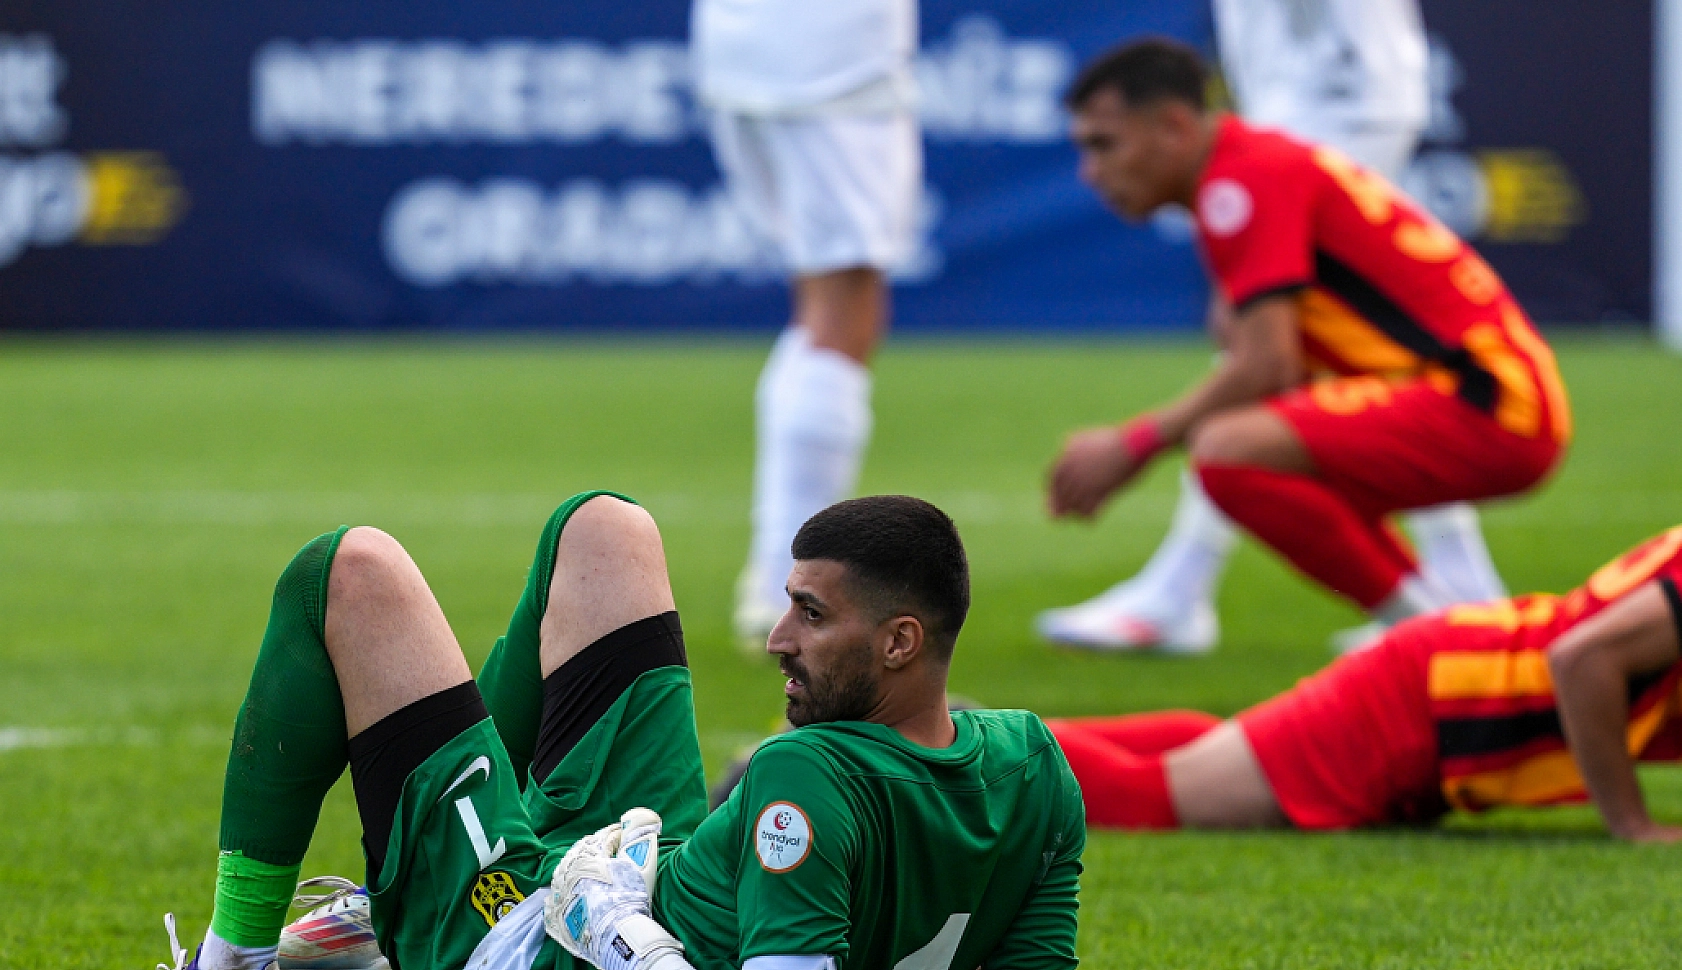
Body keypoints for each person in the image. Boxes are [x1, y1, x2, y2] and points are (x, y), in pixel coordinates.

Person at [82, 492, 1084, 970]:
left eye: (810, 614)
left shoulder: (801, 776)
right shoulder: (1031, 762)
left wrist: (621, 937)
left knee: (338, 571)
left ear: (900, 640)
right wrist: (926, 903)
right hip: (657, 868)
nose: (777, 638)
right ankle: (390, 911)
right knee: (602, 526)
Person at [1043, 39, 1570, 642]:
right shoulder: (1247, 169)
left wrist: (1133, 444)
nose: (1090, 171)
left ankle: (1435, 642)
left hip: (1490, 402)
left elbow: (1267, 367)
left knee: (1227, 450)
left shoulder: (1239, 185)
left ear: (1174, 126)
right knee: (1250, 451)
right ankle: (1445, 633)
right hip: (1491, 394)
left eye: (1103, 144)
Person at [1046, 525, 1682, 843]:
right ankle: (975, 753)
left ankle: (985, 732)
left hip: (1448, 684)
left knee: (1227, 758)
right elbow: (1584, 659)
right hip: (1436, 701)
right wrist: (1632, 824)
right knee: (1162, 799)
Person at [689, 0, 923, 649]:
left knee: (821, 302)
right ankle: (786, 587)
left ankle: (776, 578)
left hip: (743, 48)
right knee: (843, 307)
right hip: (830, 57)